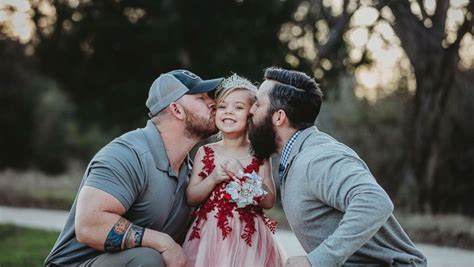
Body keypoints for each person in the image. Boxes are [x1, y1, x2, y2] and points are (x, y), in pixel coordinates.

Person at [248, 67, 427, 267]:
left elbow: (375, 201)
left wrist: (316, 261)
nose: (250, 110)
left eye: (258, 104)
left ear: (279, 117)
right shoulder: (297, 157)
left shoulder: (318, 157)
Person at [44, 69, 223, 267]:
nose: (213, 103)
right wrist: (163, 242)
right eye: (201, 98)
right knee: (147, 259)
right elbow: (89, 225)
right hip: (76, 264)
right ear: (177, 110)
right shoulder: (126, 155)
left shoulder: (193, 172)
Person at [182, 73, 287, 267]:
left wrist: (243, 177)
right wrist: (213, 178)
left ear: (251, 115)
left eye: (238, 107)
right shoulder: (206, 152)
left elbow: (269, 200)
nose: (228, 111)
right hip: (209, 236)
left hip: (249, 237)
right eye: (222, 106)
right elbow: (191, 197)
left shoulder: (259, 154)